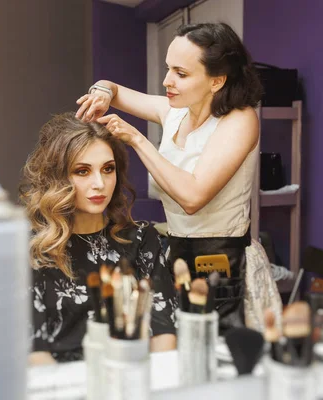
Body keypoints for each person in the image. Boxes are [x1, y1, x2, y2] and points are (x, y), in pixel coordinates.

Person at [75, 22, 282, 331]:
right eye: (168, 68)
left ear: (216, 81)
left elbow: (193, 197)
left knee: (221, 359)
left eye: (181, 74)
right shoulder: (174, 112)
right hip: (177, 258)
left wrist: (138, 140)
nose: (166, 81)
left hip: (225, 262)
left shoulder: (239, 120)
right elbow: (113, 89)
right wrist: (102, 92)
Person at [20, 112, 177, 365]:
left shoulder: (141, 240)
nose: (99, 183)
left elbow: (164, 335)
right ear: (56, 178)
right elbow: (35, 352)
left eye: (108, 169)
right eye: (82, 171)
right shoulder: (31, 249)